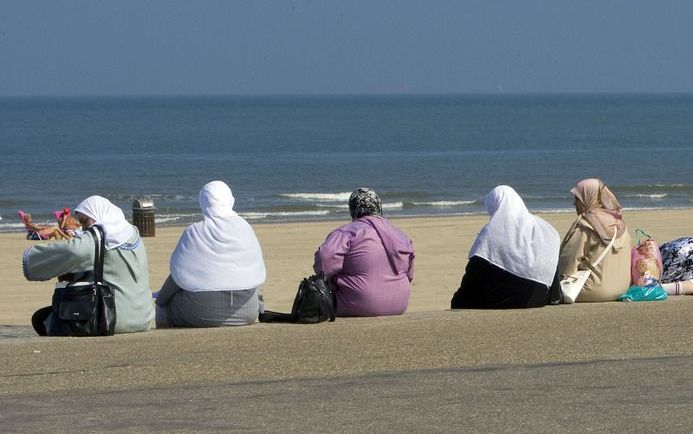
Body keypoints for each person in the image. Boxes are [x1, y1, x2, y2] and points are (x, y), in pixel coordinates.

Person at [23, 196, 155, 335]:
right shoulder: (132, 233)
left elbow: (73, 251)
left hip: (112, 319)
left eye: (85, 222)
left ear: (97, 215)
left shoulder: (98, 237)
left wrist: (31, 259)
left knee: (42, 318)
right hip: (143, 318)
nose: (84, 228)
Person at [155, 181, 266, 328]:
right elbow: (255, 271)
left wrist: (160, 300)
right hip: (248, 312)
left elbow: (178, 273)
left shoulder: (194, 231)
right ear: (230, 200)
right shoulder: (245, 227)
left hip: (200, 313)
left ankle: (164, 342)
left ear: (203, 202)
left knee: (164, 306)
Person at [450, 185, 562, 309]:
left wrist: (458, 298)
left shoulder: (492, 230)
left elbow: (474, 271)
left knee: (461, 300)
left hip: (504, 300)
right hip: (539, 298)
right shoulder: (545, 228)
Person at [313, 188, 415, 317]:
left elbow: (325, 259)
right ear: (378, 207)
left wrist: (331, 281)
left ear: (352, 208)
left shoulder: (347, 232)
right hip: (399, 304)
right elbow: (409, 275)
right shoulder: (401, 235)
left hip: (360, 304)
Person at [558, 178, 632, 302]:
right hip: (622, 289)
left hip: (593, 291)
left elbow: (568, 263)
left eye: (577, 199)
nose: (574, 204)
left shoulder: (585, 225)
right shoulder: (620, 224)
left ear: (589, 198)